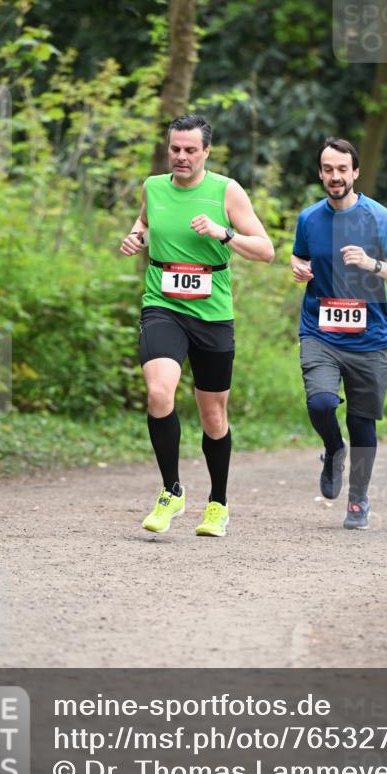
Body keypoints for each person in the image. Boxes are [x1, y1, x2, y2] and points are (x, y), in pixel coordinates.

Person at [121, 113, 274, 537]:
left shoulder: (226, 191)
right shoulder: (153, 187)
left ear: (207, 151)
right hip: (163, 306)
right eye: (175, 149)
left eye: (190, 150)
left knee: (213, 416)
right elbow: (146, 221)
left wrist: (223, 233)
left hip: (212, 315)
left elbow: (266, 250)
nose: (181, 157)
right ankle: (171, 491)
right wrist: (136, 236)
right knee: (158, 392)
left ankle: (218, 504)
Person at [291, 136, 387, 530]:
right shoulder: (309, 218)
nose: (335, 176)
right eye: (328, 169)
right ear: (321, 173)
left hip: (368, 338)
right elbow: (300, 254)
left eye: (342, 169)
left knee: (363, 424)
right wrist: (298, 268)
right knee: (322, 404)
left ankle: (359, 499)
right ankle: (333, 450)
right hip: (320, 331)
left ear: (355, 172)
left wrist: (372, 264)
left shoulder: (378, 217)